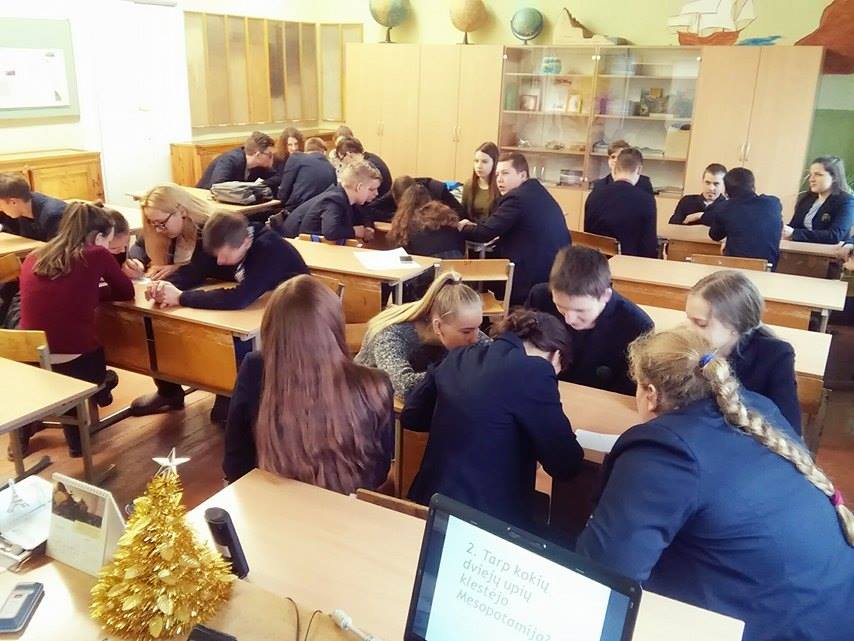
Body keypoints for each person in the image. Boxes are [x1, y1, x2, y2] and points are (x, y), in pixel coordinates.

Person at [576, 326, 854, 641]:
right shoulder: (757, 409)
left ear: (650, 393)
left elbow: (606, 573)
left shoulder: (666, 449)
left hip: (781, 626)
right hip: (833, 607)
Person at [401, 309, 583, 529]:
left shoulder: (458, 355)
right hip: (486, 519)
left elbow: (412, 416)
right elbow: (565, 464)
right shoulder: (535, 370)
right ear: (555, 355)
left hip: (429, 501)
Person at [224, 275, 394, 491]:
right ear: (335, 325)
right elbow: (379, 469)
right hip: (347, 505)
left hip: (269, 501)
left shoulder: (255, 368)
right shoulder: (376, 385)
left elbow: (235, 463)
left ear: (270, 327)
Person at [19, 203, 134, 456]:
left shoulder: (35, 255)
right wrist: (95, 293)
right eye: (109, 240)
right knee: (85, 357)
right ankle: (78, 435)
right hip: (75, 361)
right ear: (99, 237)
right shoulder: (97, 254)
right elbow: (126, 291)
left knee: (61, 353)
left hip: (29, 356)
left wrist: (89, 293)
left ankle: (23, 434)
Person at [126, 185, 221, 417]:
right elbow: (139, 246)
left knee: (214, 343)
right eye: (153, 224)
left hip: (213, 295)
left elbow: (199, 270)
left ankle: (225, 392)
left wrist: (173, 272)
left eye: (161, 223)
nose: (158, 229)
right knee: (150, 324)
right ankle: (168, 391)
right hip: (181, 294)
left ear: (182, 211)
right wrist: (136, 262)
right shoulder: (160, 229)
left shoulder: (209, 228)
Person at [526, 246, 653, 395]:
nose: (569, 319)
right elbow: (516, 348)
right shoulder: (539, 298)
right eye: (560, 306)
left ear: (605, 296)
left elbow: (629, 392)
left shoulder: (637, 327)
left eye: (580, 310)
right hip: (543, 388)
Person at [686, 270, 801, 434]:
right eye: (688, 319)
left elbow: (789, 428)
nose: (689, 330)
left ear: (735, 324)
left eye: (700, 323)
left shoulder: (775, 356)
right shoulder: (689, 348)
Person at [459, 152, 571, 304]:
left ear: (523, 175)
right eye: (497, 174)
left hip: (531, 273)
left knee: (477, 265)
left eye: (505, 173)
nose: (499, 179)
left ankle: (481, 310)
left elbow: (484, 234)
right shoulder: (536, 190)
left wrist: (462, 227)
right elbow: (493, 225)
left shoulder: (516, 198)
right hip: (555, 267)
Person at [355, 272, 486, 400]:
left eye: (478, 327)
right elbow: (405, 387)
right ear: (437, 326)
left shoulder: (459, 325)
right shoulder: (392, 334)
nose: (475, 338)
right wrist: (460, 371)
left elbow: (492, 354)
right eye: (466, 332)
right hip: (368, 398)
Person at [145, 210, 308, 310]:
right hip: (260, 305)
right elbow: (195, 271)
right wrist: (161, 288)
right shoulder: (219, 240)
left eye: (225, 256)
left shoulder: (269, 250)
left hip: (295, 308)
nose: (219, 262)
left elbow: (239, 298)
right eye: (217, 256)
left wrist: (180, 297)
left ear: (246, 243)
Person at [584, 147, 658, 258]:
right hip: (630, 262)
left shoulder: (594, 195)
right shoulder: (646, 200)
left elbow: (588, 236)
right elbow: (649, 244)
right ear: (639, 169)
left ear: (615, 168)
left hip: (598, 261)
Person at [282, 160, 380, 241]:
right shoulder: (334, 200)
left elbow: (365, 214)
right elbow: (331, 232)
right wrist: (355, 231)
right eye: (372, 189)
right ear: (359, 187)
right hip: (295, 244)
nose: (376, 193)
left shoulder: (348, 198)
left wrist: (367, 227)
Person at [707, 168, 783, 270]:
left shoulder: (724, 207)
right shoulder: (773, 203)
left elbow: (715, 235)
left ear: (726, 191)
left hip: (735, 270)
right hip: (767, 269)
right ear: (753, 186)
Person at [783, 156, 853, 244]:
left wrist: (794, 233)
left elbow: (835, 235)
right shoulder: (806, 199)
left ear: (834, 177)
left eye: (818, 174)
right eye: (811, 175)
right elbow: (794, 226)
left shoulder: (846, 201)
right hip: (799, 248)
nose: (811, 179)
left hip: (829, 251)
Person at [388, 183, 465, 259]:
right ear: (429, 199)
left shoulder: (404, 223)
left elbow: (402, 257)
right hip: (455, 259)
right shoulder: (445, 214)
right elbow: (461, 246)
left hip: (427, 261)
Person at [196, 131, 276, 189]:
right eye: (269, 155)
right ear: (257, 155)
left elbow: (275, 178)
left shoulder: (258, 166)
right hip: (206, 201)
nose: (272, 157)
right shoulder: (229, 160)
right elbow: (217, 186)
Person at [275, 136, 336, 211]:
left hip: (298, 211)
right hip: (323, 212)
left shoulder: (296, 158)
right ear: (323, 151)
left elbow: (283, 195)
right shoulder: (331, 167)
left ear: (305, 149)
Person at [0, 172, 67, 241]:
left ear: (13, 202)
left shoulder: (54, 215)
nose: (0, 209)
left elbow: (57, 246)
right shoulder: (19, 208)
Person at [369, 174, 463, 223]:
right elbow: (370, 209)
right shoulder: (396, 190)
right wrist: (398, 217)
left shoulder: (437, 189)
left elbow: (461, 213)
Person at [461, 142, 500, 222]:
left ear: (494, 163)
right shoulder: (469, 184)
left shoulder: (500, 186)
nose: (479, 166)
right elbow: (463, 212)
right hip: (471, 227)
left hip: (492, 228)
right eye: (476, 161)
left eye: (484, 162)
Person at [102, 207, 145, 279]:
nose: (123, 250)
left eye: (125, 244)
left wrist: (135, 269)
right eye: (114, 248)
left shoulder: (120, 251)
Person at [267, 126, 306, 192]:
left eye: (296, 144)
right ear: (284, 145)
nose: (294, 148)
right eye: (290, 145)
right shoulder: (277, 158)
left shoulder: (304, 157)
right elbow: (277, 177)